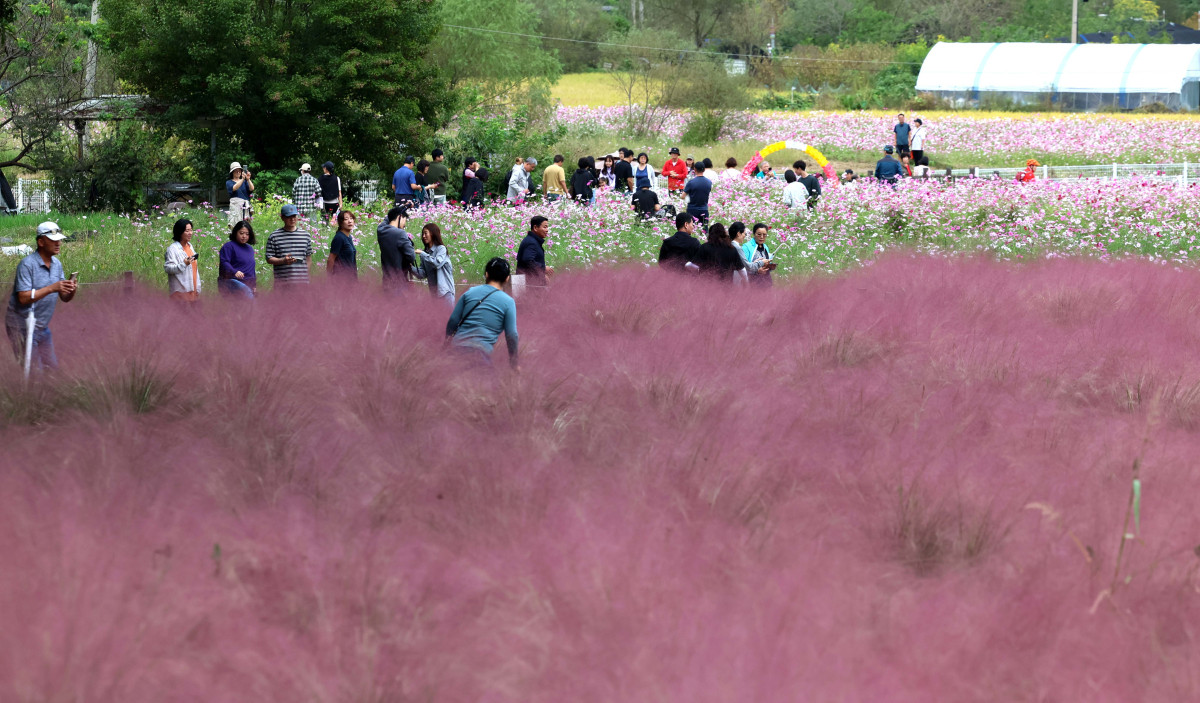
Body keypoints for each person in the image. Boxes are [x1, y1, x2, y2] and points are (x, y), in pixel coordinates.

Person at [6, 221, 76, 371]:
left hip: (41, 326)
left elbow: (64, 297)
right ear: (41, 242)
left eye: (59, 240)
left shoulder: (57, 264)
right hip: (21, 326)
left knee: (52, 370)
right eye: (53, 240)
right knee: (34, 372)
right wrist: (52, 288)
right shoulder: (27, 265)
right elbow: (23, 298)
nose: (58, 243)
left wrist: (71, 289)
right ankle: (25, 394)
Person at [445, 257, 519, 370]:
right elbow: (512, 335)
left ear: (486, 274)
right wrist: (514, 363)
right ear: (507, 279)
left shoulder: (469, 293)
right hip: (480, 356)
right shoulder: (508, 302)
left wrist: (446, 343)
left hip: (456, 349)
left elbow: (453, 321)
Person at [264, 203, 313, 286]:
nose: (292, 219)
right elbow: (269, 258)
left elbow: (308, 258)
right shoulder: (274, 236)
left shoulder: (306, 235)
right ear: (282, 217)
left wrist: (304, 274)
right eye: (289, 217)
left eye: (294, 216)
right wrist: (283, 260)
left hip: (303, 284)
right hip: (282, 284)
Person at [412, 222, 455, 308]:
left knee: (447, 320)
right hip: (434, 295)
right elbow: (422, 274)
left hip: (445, 294)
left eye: (425, 233)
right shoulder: (426, 253)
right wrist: (408, 267)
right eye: (422, 234)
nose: (423, 236)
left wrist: (422, 254)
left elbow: (437, 263)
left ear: (433, 233)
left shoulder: (441, 249)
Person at [377, 206, 416, 295]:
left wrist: (401, 208)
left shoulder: (380, 230)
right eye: (404, 221)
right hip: (399, 282)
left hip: (387, 280)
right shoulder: (400, 233)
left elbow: (387, 218)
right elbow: (411, 257)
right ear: (400, 216)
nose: (404, 226)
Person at [165, 218, 202, 303]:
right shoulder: (172, 249)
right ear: (179, 232)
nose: (190, 233)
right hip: (180, 295)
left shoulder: (190, 246)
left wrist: (198, 288)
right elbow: (168, 268)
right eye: (187, 231)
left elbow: (194, 269)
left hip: (193, 293)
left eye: (191, 230)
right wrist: (184, 264)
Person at [218, 220, 257, 298]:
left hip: (247, 282)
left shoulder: (250, 249)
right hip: (231, 280)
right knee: (249, 298)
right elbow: (224, 262)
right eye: (241, 233)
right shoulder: (229, 246)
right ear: (236, 232)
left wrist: (254, 285)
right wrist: (234, 271)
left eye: (247, 234)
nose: (244, 236)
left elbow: (252, 269)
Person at [517, 215, 553, 287]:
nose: (547, 230)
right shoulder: (531, 242)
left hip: (530, 283)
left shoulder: (533, 241)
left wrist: (543, 275)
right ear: (535, 228)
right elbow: (528, 260)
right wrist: (543, 268)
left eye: (547, 227)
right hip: (529, 285)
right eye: (545, 227)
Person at [326, 210, 358, 280]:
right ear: (341, 223)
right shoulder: (339, 238)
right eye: (346, 219)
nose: (350, 221)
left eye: (351, 218)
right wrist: (329, 279)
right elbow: (331, 259)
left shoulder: (349, 237)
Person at [743, 223, 775, 287]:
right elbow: (743, 268)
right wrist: (757, 271)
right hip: (752, 284)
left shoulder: (765, 247)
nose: (762, 237)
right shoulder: (746, 247)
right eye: (759, 234)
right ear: (754, 234)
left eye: (764, 235)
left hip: (766, 282)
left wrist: (770, 266)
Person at [226, 162, 255, 226]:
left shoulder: (245, 182)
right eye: (236, 171)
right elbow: (234, 188)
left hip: (245, 207)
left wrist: (248, 179)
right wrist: (242, 179)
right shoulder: (229, 182)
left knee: (246, 226)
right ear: (232, 172)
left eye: (239, 171)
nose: (238, 172)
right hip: (235, 209)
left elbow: (252, 188)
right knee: (235, 226)